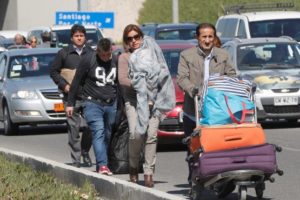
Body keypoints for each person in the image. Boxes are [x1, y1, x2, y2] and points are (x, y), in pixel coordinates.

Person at [177, 23, 236, 191]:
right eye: (204, 37)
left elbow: (232, 75)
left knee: (219, 147)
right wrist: (193, 90)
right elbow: (182, 78)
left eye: (210, 37)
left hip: (217, 112)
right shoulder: (186, 55)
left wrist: (225, 86)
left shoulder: (223, 55)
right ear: (198, 37)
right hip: (193, 111)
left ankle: (222, 179)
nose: (208, 40)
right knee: (194, 149)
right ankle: (194, 179)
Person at [119, 24, 175, 187]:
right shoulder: (125, 58)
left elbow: (162, 72)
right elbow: (122, 79)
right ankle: (134, 166)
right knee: (135, 134)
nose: (134, 41)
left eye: (137, 37)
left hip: (153, 101)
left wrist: (157, 82)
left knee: (151, 135)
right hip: (134, 101)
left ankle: (149, 172)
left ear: (142, 37)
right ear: (126, 41)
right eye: (130, 38)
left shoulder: (152, 54)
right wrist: (141, 84)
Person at [66, 38, 118, 176]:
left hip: (111, 103)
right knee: (98, 131)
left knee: (107, 134)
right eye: (103, 55)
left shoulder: (116, 60)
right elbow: (76, 82)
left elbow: (119, 83)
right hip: (92, 103)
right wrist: (70, 103)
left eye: (108, 55)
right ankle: (102, 165)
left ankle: (103, 162)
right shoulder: (88, 60)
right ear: (97, 51)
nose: (106, 58)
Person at [50, 24, 93, 168]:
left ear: (85, 37)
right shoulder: (64, 53)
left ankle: (85, 151)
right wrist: (64, 85)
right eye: (76, 36)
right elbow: (54, 72)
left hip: (88, 97)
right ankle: (76, 159)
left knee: (91, 126)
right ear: (72, 37)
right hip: (70, 98)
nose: (79, 38)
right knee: (73, 128)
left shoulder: (91, 53)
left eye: (81, 35)